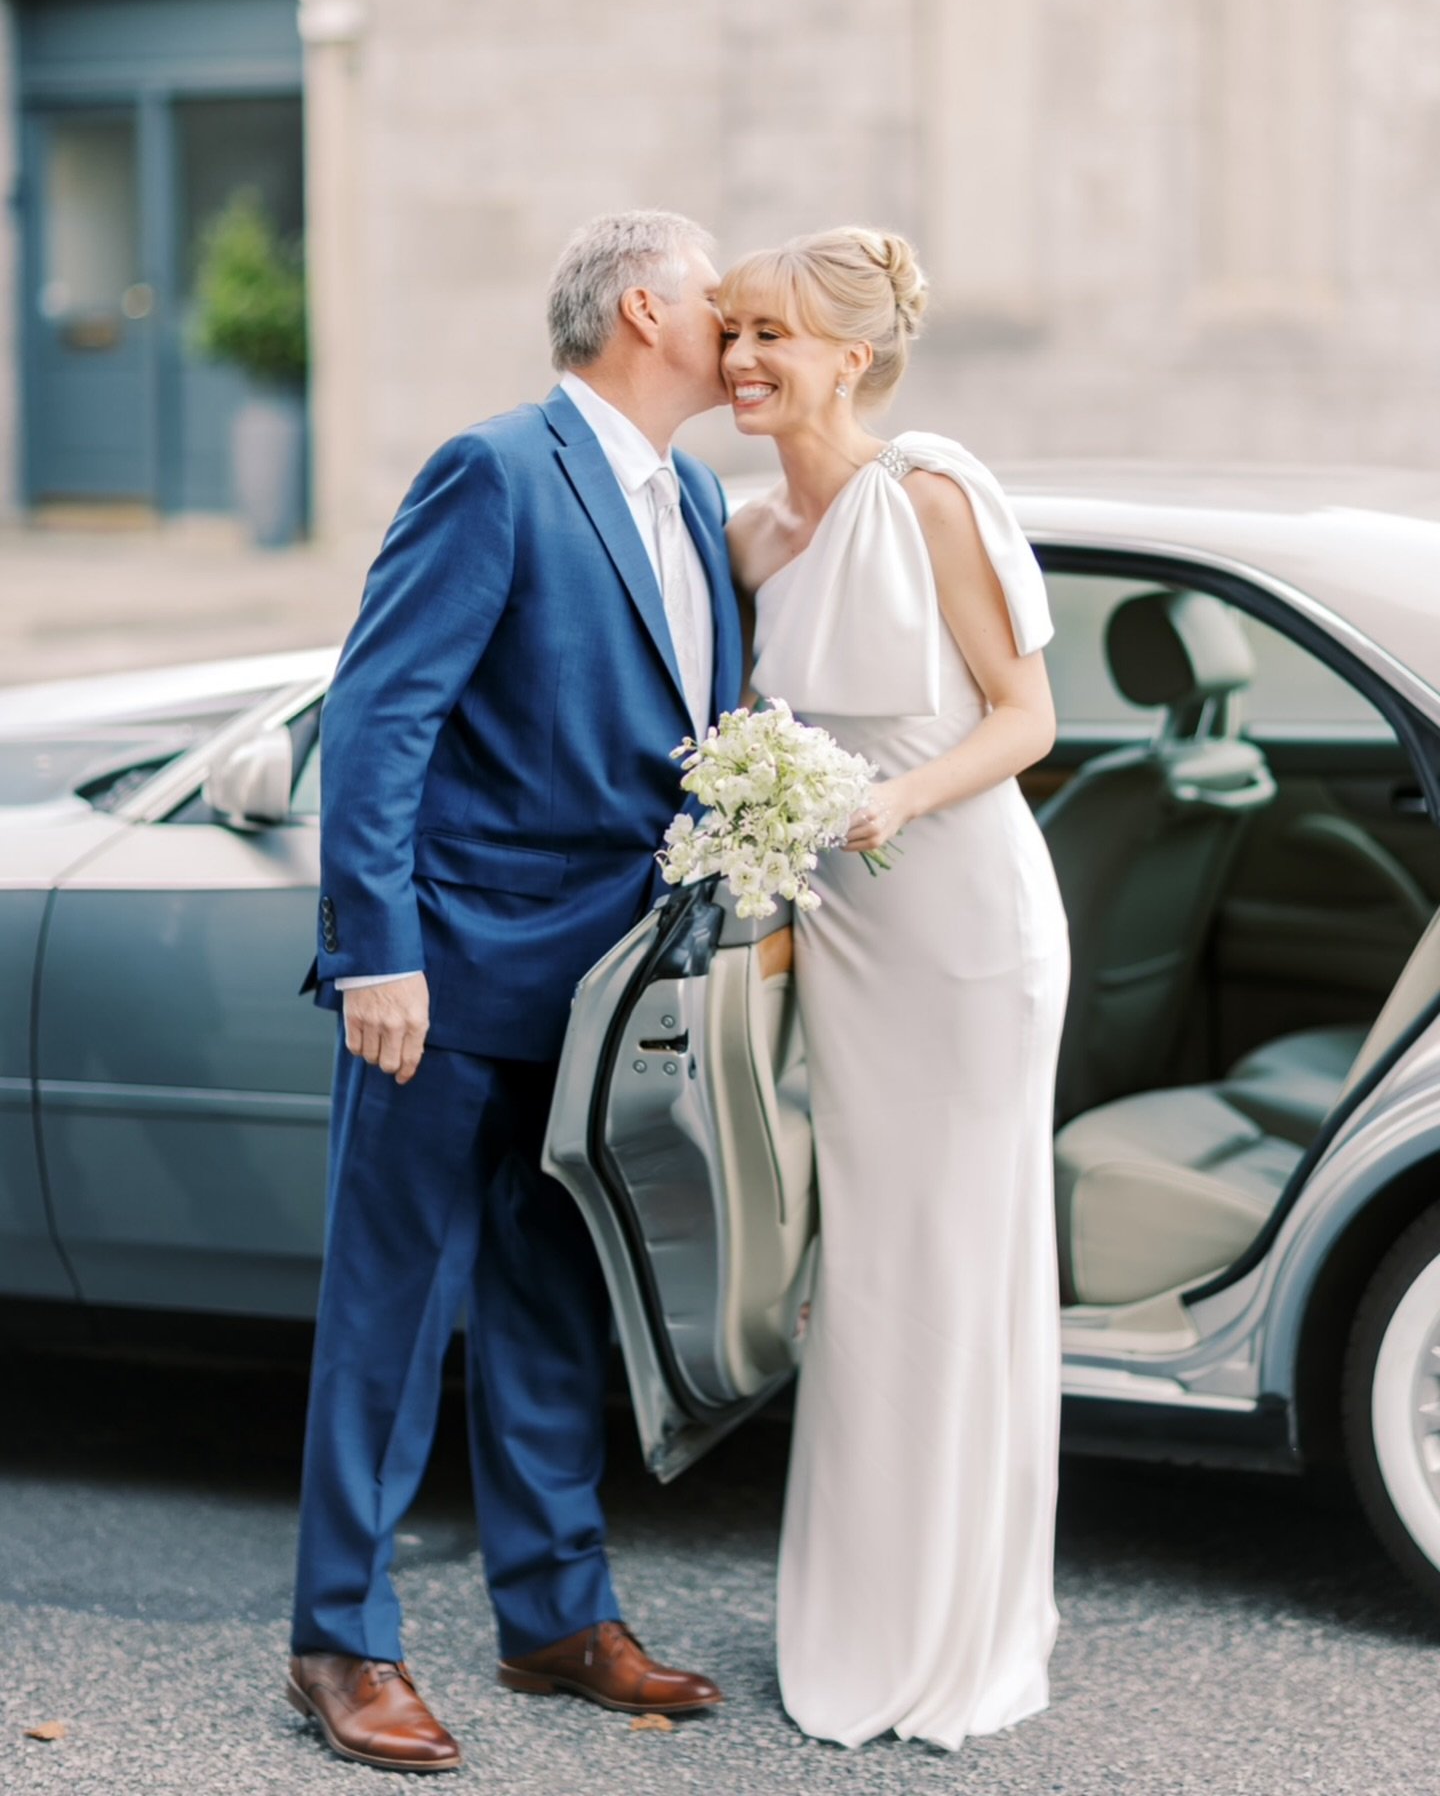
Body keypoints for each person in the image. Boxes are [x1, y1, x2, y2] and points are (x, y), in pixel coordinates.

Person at [287, 210, 741, 1773]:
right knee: (390, 1314)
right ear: (639, 307)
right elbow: (379, 714)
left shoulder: (689, 486)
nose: (734, 323)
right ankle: (339, 1645)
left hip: (604, 998)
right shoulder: (494, 468)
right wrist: (380, 950)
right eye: (713, 299)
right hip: (450, 975)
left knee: (553, 1301)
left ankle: (555, 1618)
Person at [719, 227, 1070, 1750]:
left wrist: (896, 803)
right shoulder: (743, 536)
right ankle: (862, 1613)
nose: (740, 360)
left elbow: (1026, 719)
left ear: (849, 357)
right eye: (729, 331)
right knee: (864, 1270)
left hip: (963, 924)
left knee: (952, 1262)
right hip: (844, 938)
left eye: (773, 337)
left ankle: (959, 1628)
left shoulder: (928, 491)